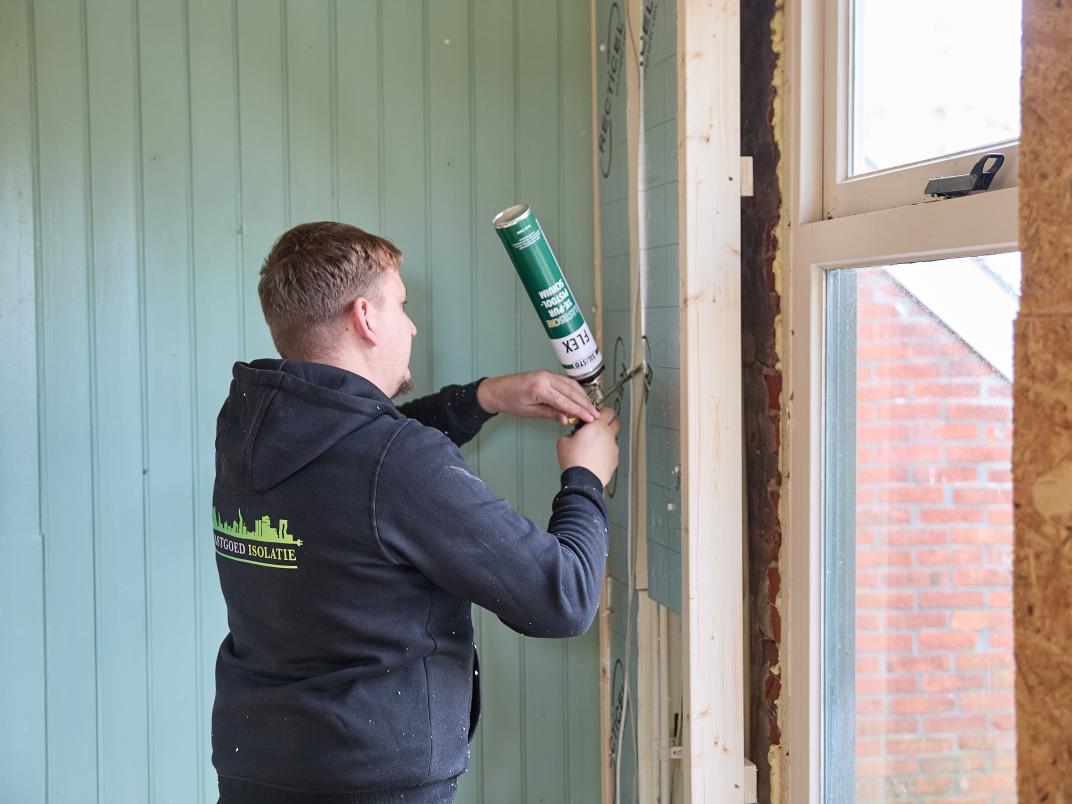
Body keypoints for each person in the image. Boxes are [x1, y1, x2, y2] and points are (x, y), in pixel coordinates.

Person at [211, 221, 619, 803]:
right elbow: (563, 597)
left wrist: (485, 397)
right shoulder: (393, 462)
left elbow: (357, 455)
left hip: (257, 767)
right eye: (400, 305)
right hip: (370, 782)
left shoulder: (248, 426)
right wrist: (585, 477)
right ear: (365, 318)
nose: (412, 325)